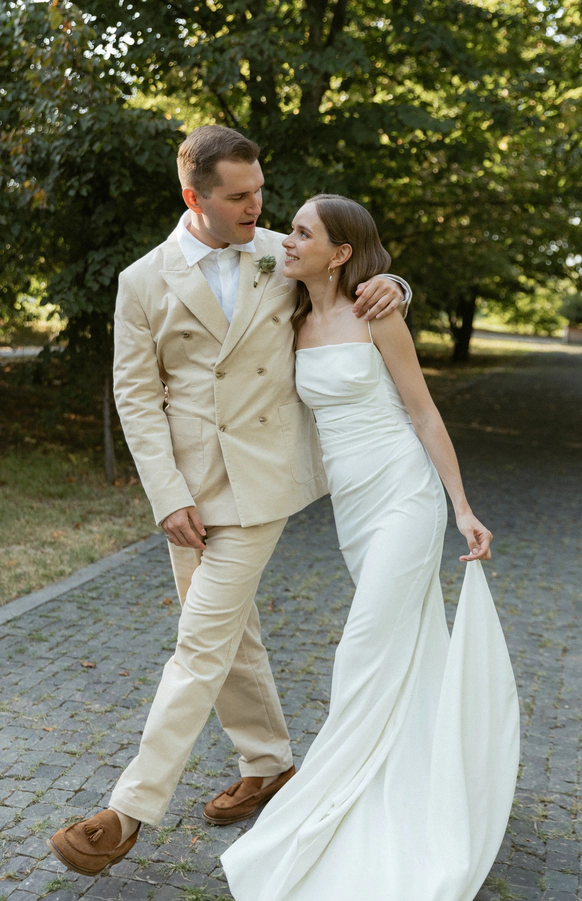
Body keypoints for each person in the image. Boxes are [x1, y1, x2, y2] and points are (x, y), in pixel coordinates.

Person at [46, 129, 412, 877]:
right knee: (228, 631)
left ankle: (127, 810)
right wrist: (167, 495)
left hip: (262, 482)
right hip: (187, 491)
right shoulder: (141, 280)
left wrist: (398, 286)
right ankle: (270, 762)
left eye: (260, 190)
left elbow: (357, 276)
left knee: (200, 645)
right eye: (240, 196)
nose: (258, 207)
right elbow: (136, 397)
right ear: (195, 197)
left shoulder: (282, 252)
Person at [221, 195, 520, 901]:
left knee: (361, 648)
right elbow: (236, 246)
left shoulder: (377, 313)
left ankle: (320, 802)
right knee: (402, 645)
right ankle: (421, 775)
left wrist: (462, 508)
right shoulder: (291, 315)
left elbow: (423, 412)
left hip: (406, 495)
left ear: (341, 253)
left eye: (303, 232)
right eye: (289, 229)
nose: (288, 240)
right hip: (352, 509)